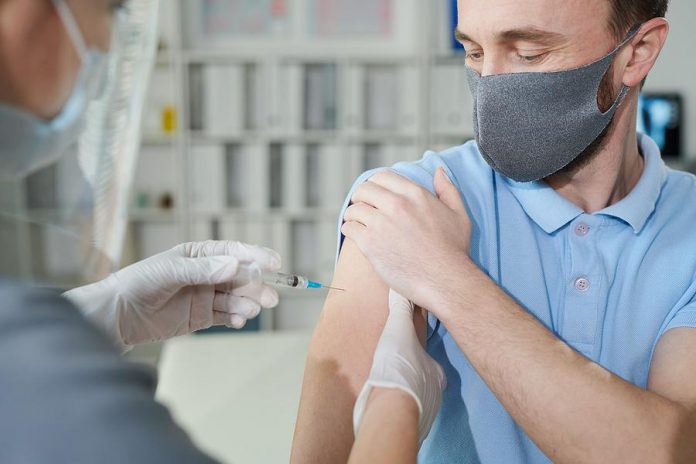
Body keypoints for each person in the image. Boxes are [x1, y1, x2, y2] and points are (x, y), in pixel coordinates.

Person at [0, 0, 444, 462]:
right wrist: (394, 406)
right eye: (111, 10)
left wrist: (101, 314)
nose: (108, 43)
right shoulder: (34, 372)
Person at [292, 0, 696, 463]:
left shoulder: (688, 228)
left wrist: (448, 278)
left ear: (638, 51)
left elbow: (666, 450)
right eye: (474, 53)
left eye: (528, 53)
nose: (490, 87)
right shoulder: (409, 204)